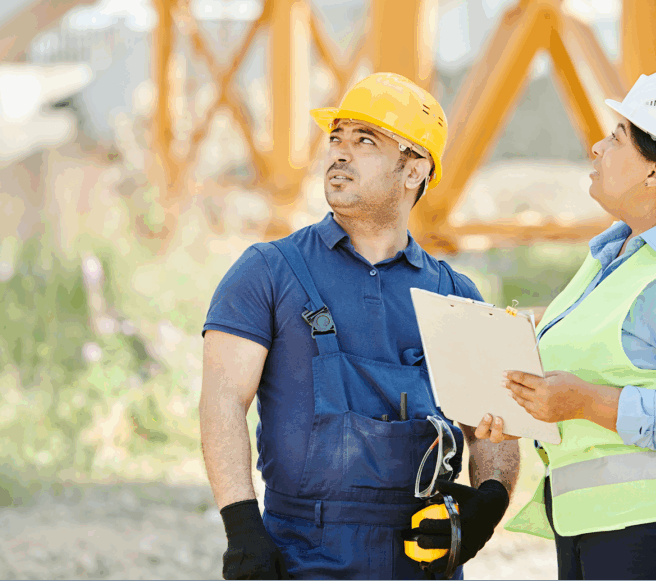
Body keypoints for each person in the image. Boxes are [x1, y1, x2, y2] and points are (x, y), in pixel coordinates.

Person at [199, 72, 520, 580]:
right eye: (337, 138)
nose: (340, 154)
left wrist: (489, 502)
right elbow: (222, 400)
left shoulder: (457, 296)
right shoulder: (267, 272)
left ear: (414, 170)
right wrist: (242, 527)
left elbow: (495, 429)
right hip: (302, 553)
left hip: (423, 554)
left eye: (365, 140)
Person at [473, 66, 656, 580]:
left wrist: (587, 402)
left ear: (655, 172)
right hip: (597, 528)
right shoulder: (613, 257)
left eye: (616, 137)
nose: (596, 147)